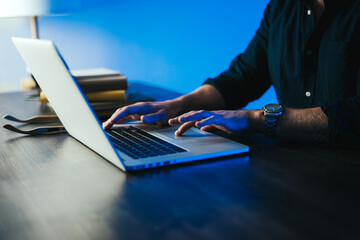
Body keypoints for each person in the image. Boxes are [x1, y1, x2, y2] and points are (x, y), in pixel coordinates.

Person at [103, 0, 360, 146]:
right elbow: (242, 77)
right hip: (293, 172)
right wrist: (177, 105)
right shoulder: (281, 8)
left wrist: (257, 119)